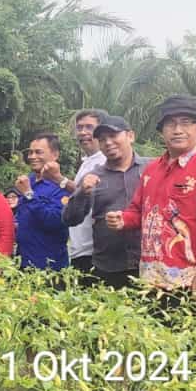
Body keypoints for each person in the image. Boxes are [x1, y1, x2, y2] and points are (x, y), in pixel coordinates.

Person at [107, 95, 196, 308]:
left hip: (191, 281)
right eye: (170, 124)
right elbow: (139, 210)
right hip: (153, 280)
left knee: (194, 340)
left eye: (186, 123)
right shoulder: (152, 169)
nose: (177, 130)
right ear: (162, 131)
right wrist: (123, 220)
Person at [60, 116, 149, 290]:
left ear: (130, 136)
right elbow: (70, 219)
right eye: (102, 139)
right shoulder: (93, 177)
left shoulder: (152, 168)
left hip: (149, 265)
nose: (108, 143)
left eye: (113, 136)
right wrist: (82, 194)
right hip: (108, 267)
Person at [12, 133, 69, 271]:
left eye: (38, 152)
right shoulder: (27, 181)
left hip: (50, 269)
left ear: (55, 155)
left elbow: (55, 220)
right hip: (23, 265)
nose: (32, 156)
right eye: (30, 152)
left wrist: (28, 194)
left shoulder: (63, 186)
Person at [63, 109, 109, 276]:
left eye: (89, 127)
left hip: (94, 250)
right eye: (79, 127)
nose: (83, 132)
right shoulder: (87, 162)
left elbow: (93, 194)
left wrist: (59, 179)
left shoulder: (104, 161)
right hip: (79, 248)